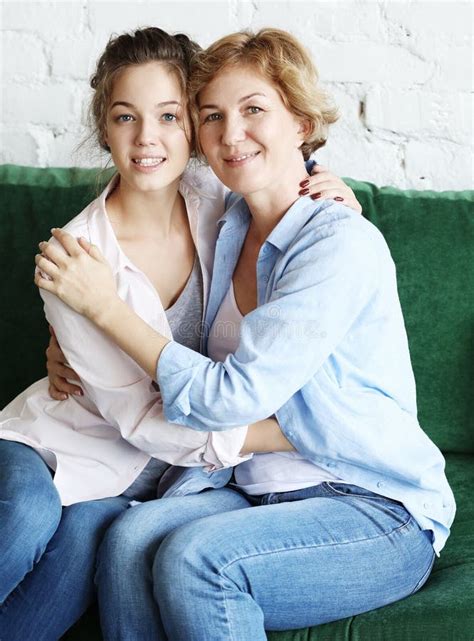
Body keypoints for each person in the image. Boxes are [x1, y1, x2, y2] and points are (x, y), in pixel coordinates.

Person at [36, 28, 456, 641]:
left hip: (368, 502)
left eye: (254, 109)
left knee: (197, 561)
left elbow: (228, 399)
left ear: (302, 121)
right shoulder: (224, 223)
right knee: (126, 541)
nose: (231, 133)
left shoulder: (337, 241)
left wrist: (106, 310)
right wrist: (64, 336)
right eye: (212, 115)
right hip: (251, 489)